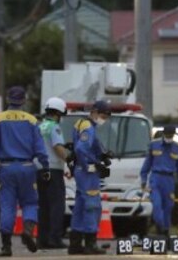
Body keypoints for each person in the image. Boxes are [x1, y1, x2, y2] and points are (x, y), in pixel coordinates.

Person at [0, 87, 49, 257]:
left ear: (8, 99)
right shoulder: (32, 120)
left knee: (7, 205)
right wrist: (45, 165)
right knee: (30, 203)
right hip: (27, 167)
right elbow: (40, 147)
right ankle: (27, 229)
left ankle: (6, 246)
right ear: (24, 100)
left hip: (6, 168)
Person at [68, 100, 112, 255]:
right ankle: (90, 244)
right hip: (87, 172)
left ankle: (75, 244)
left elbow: (85, 145)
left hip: (81, 171)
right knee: (92, 206)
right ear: (94, 112)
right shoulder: (88, 127)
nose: (103, 119)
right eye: (102, 115)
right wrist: (95, 164)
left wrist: (102, 154)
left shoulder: (81, 123)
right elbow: (81, 148)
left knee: (80, 207)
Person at [139, 125, 178, 236]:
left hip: (169, 180)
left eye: (171, 136)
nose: (169, 137)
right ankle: (160, 226)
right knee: (157, 205)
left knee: (168, 207)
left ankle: (165, 231)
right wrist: (143, 179)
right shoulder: (154, 145)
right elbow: (147, 164)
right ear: (164, 134)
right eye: (168, 135)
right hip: (156, 179)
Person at [36, 97, 70, 250]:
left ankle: (42, 239)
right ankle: (54, 239)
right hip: (54, 170)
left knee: (43, 206)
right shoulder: (54, 127)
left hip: (40, 169)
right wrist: (70, 159)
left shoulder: (40, 126)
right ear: (59, 112)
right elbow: (58, 147)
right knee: (57, 205)